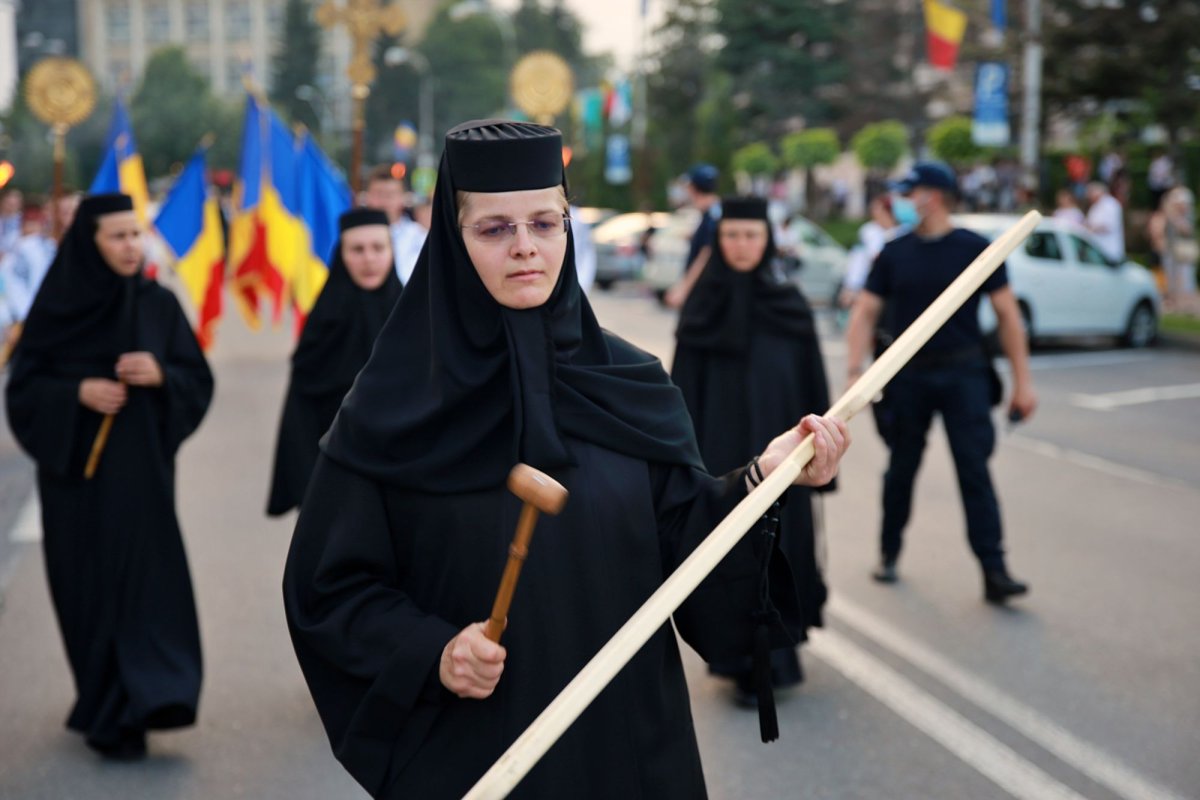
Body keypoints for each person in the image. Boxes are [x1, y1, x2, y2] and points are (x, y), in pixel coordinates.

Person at [282, 120, 850, 800]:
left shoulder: (631, 381)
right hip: (477, 753)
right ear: (452, 240)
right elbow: (330, 589)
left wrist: (762, 477)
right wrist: (433, 651)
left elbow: (686, 542)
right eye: (495, 229)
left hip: (631, 742)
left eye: (545, 223)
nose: (526, 248)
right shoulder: (392, 403)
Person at [5, 193, 213, 759]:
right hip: (75, 482)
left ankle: (152, 697)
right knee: (86, 593)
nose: (130, 246)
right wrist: (77, 393)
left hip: (142, 478)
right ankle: (102, 701)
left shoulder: (158, 305)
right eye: (116, 236)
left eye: (135, 234)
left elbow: (198, 381)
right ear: (90, 243)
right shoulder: (57, 307)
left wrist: (162, 375)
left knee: (145, 587)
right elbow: (23, 392)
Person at [844, 161, 1036, 604]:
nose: (906, 202)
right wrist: (855, 373)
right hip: (907, 375)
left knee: (975, 471)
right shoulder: (894, 252)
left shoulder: (976, 249)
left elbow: (1009, 317)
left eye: (912, 194)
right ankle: (888, 552)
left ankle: (994, 569)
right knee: (901, 469)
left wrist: (1023, 383)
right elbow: (865, 312)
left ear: (934, 196)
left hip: (963, 372)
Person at [671, 196, 834, 705]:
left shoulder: (789, 304)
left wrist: (822, 453)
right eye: (732, 236)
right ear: (719, 241)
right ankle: (736, 656)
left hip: (786, 455)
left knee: (784, 548)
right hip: (721, 458)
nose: (741, 246)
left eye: (751, 235)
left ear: (767, 241)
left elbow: (813, 383)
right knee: (730, 553)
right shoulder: (702, 306)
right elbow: (679, 392)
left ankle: (778, 659)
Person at [266, 208, 402, 516]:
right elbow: (300, 409)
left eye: (378, 248)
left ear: (391, 251)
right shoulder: (325, 319)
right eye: (357, 249)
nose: (369, 259)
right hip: (335, 472)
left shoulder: (414, 316)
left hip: (400, 472)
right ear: (342, 255)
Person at [1, 192, 81, 328]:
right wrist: (26, 316)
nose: (68, 218)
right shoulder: (28, 247)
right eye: (63, 212)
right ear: (48, 213)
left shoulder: (82, 249)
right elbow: (12, 281)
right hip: (33, 320)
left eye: (72, 212)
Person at [664, 163, 721, 308]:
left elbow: (707, 252)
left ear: (693, 188)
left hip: (705, 293)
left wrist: (684, 288)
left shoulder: (712, 215)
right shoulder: (713, 212)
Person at [838, 194, 901, 319]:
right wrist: (850, 286)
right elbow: (858, 260)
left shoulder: (902, 232)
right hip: (870, 288)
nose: (874, 212)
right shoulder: (869, 231)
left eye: (877, 209)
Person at [363, 165, 426, 286]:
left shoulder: (419, 238)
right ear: (367, 197)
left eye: (390, 195)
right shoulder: (356, 236)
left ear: (404, 198)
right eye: (378, 194)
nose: (384, 202)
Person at [1161, 187, 1198, 308]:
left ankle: (1186, 304)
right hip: (1171, 250)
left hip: (1183, 252)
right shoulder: (1169, 215)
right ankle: (1174, 301)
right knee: (1171, 277)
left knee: (1185, 278)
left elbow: (1186, 230)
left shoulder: (1186, 216)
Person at [1085, 181, 1125, 263]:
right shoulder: (1094, 207)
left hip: (1109, 252)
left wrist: (1091, 229)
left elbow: (1109, 226)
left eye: (1090, 193)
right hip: (1097, 251)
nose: (1088, 196)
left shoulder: (1111, 204)